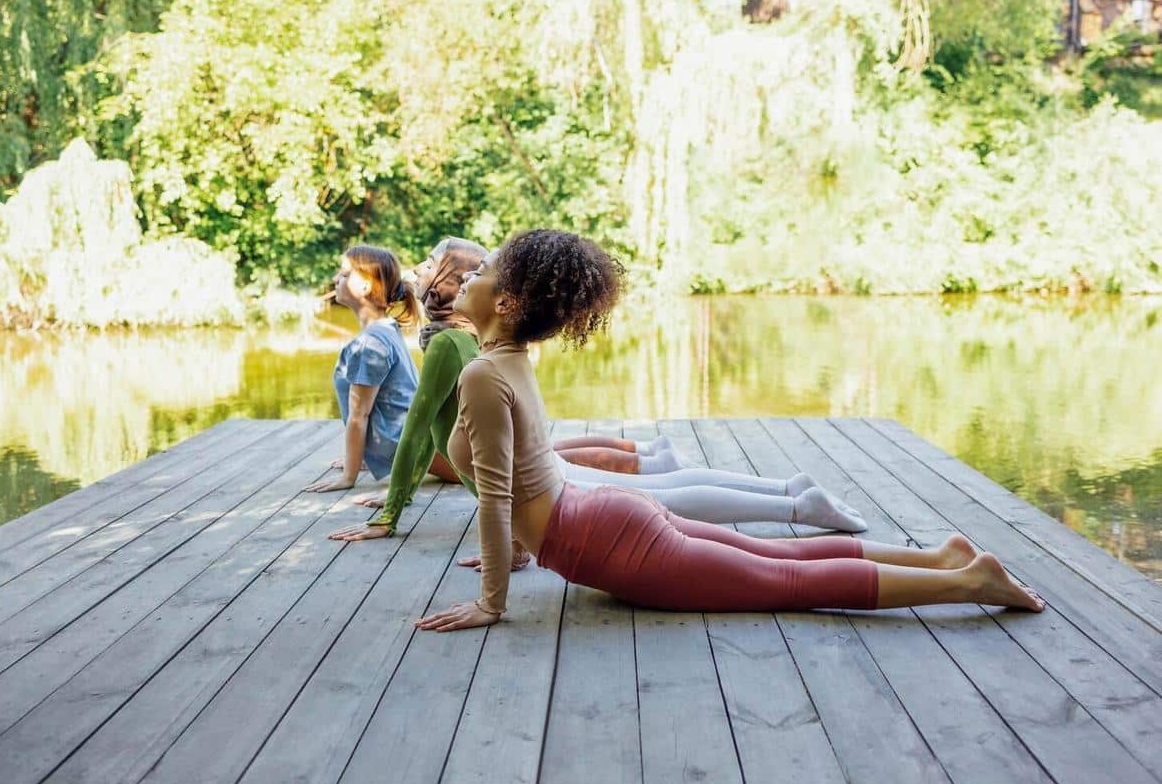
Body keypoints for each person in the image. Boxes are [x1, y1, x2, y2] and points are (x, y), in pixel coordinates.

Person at [413, 229, 1046, 633]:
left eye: (481, 272)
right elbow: (516, 475)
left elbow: (498, 495)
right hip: (600, 519)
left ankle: (968, 581)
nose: (466, 275)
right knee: (781, 559)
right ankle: (939, 559)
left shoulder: (483, 373)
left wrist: (491, 601)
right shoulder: (507, 362)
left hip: (600, 538)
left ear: (506, 304)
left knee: (788, 580)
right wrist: (518, 551)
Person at [325, 239, 865, 547]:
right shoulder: (464, 339)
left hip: (540, 491)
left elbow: (418, 433)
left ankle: (797, 504)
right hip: (535, 482)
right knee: (666, 490)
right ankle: (791, 493)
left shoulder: (449, 344)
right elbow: (436, 439)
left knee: (667, 498)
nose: (415, 271)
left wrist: (388, 514)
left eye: (429, 265)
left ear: (448, 283)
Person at [304, 245, 422, 493]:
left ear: (366, 286)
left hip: (414, 449)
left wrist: (349, 476)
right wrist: (359, 458)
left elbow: (359, 417)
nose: (336, 279)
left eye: (345, 274)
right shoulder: (386, 329)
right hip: (415, 444)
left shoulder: (370, 343)